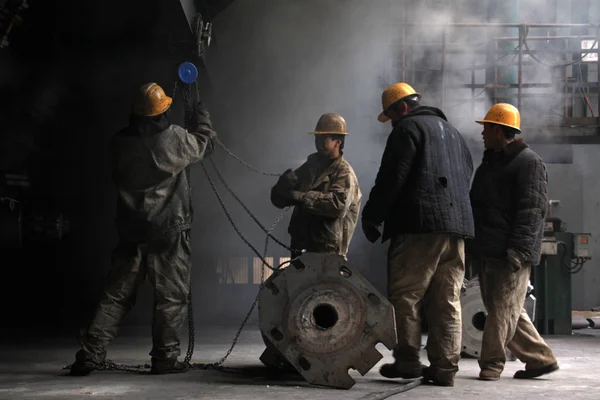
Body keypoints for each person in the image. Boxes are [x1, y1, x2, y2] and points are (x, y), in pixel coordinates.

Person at [69, 82, 217, 376]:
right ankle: (165, 358)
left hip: (132, 231)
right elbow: (206, 143)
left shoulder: (119, 143)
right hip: (170, 231)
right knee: (171, 297)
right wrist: (200, 113)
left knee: (116, 294)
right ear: (161, 112)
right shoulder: (173, 138)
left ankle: (90, 354)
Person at [361, 82, 474, 387]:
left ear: (403, 108)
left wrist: (372, 217)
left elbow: (391, 178)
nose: (392, 124)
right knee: (447, 299)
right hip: (457, 228)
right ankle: (445, 368)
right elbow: (466, 175)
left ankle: (408, 360)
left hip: (418, 226)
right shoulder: (454, 134)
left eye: (392, 117)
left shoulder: (407, 129)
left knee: (406, 295)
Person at [468, 103, 559, 381]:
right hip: (489, 250)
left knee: (501, 310)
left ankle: (492, 364)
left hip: (511, 253)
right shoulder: (490, 163)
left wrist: (518, 250)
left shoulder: (529, 162)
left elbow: (532, 211)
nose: (482, 133)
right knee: (507, 309)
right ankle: (540, 359)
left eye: (486, 128)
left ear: (499, 129)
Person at [270, 113, 362, 260]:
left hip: (327, 254)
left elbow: (338, 205)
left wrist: (301, 197)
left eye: (323, 138)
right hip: (300, 250)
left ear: (338, 142)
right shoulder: (310, 167)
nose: (318, 142)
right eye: (316, 138)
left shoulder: (344, 173)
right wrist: (280, 189)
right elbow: (281, 199)